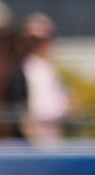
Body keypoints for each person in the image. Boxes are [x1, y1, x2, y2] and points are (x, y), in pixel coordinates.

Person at [19, 14, 72, 144]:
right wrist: (67, 107)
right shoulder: (38, 69)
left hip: (44, 134)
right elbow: (45, 109)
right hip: (42, 136)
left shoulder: (34, 66)